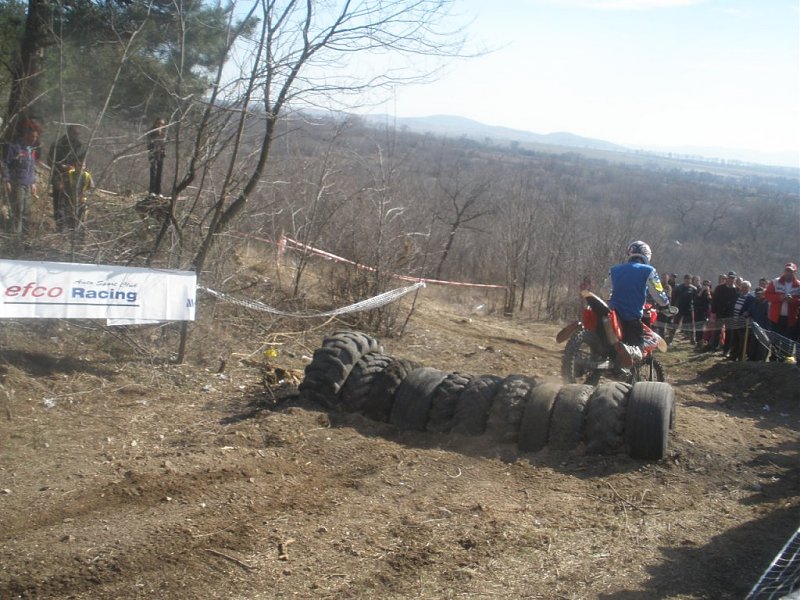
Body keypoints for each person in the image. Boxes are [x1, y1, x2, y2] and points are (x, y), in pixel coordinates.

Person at [608, 240, 670, 365]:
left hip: (613, 314)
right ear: (647, 255)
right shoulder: (649, 270)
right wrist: (666, 305)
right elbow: (659, 294)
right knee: (640, 348)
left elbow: (604, 290)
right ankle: (631, 350)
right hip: (631, 316)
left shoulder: (615, 269)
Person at [1, 122, 40, 237]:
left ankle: (24, 237)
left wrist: (33, 182)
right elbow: (5, 164)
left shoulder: (31, 150)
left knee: (26, 212)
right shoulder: (15, 147)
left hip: (27, 183)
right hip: (16, 183)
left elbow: (32, 167)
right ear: (26, 135)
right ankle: (14, 237)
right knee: (18, 210)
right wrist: (6, 180)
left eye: (36, 137)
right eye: (32, 136)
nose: (34, 139)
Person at [47, 125, 84, 232]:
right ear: (68, 132)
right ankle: (60, 228)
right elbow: (50, 160)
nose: (76, 136)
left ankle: (72, 228)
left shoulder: (80, 146)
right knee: (59, 203)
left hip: (74, 179)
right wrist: (62, 167)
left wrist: (77, 168)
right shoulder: (58, 145)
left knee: (72, 204)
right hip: (59, 177)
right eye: (74, 133)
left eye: (78, 134)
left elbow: (83, 162)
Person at [764, 263, 800, 355]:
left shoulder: (798, 285)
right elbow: (767, 295)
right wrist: (779, 298)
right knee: (775, 338)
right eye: (787, 271)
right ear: (784, 271)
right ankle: (774, 357)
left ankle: (785, 358)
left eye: (790, 271)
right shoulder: (775, 282)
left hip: (791, 318)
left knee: (788, 340)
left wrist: (792, 300)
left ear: (794, 273)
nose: (788, 273)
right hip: (776, 317)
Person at [708, 271, 738, 353]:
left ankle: (726, 350)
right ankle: (713, 347)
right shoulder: (720, 288)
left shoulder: (737, 290)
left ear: (735, 279)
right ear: (727, 278)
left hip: (731, 314)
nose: (731, 279)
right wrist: (713, 312)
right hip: (720, 313)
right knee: (717, 331)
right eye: (730, 278)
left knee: (729, 333)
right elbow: (714, 300)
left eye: (733, 278)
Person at [63, 156, 93, 232]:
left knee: (81, 222)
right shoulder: (70, 174)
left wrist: (84, 195)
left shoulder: (87, 176)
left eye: (83, 165)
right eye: (79, 165)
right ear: (75, 165)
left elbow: (91, 189)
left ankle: (81, 240)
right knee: (71, 222)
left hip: (82, 203)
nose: (81, 167)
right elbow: (65, 188)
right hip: (70, 202)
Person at [727, 280, 754, 361]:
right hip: (734, 321)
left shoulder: (751, 298)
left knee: (742, 341)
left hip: (742, 323)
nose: (744, 289)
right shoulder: (737, 295)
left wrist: (748, 312)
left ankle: (741, 357)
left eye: (746, 287)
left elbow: (751, 309)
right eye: (743, 287)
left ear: (749, 288)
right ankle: (732, 356)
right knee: (734, 340)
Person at [670, 274, 697, 343]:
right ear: (684, 280)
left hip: (689, 309)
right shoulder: (678, 288)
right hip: (679, 308)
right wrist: (672, 307)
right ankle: (670, 339)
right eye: (686, 279)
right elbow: (673, 298)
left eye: (689, 279)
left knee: (691, 325)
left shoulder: (693, 289)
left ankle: (693, 340)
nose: (687, 281)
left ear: (691, 280)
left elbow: (696, 299)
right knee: (675, 324)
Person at [147, 117, 167, 196]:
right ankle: (152, 191)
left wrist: (163, 151)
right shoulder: (151, 132)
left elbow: (164, 144)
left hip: (160, 155)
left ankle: (158, 192)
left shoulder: (163, 134)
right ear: (155, 124)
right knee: (153, 172)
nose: (160, 126)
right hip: (153, 154)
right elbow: (150, 144)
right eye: (159, 124)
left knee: (159, 173)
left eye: (162, 124)